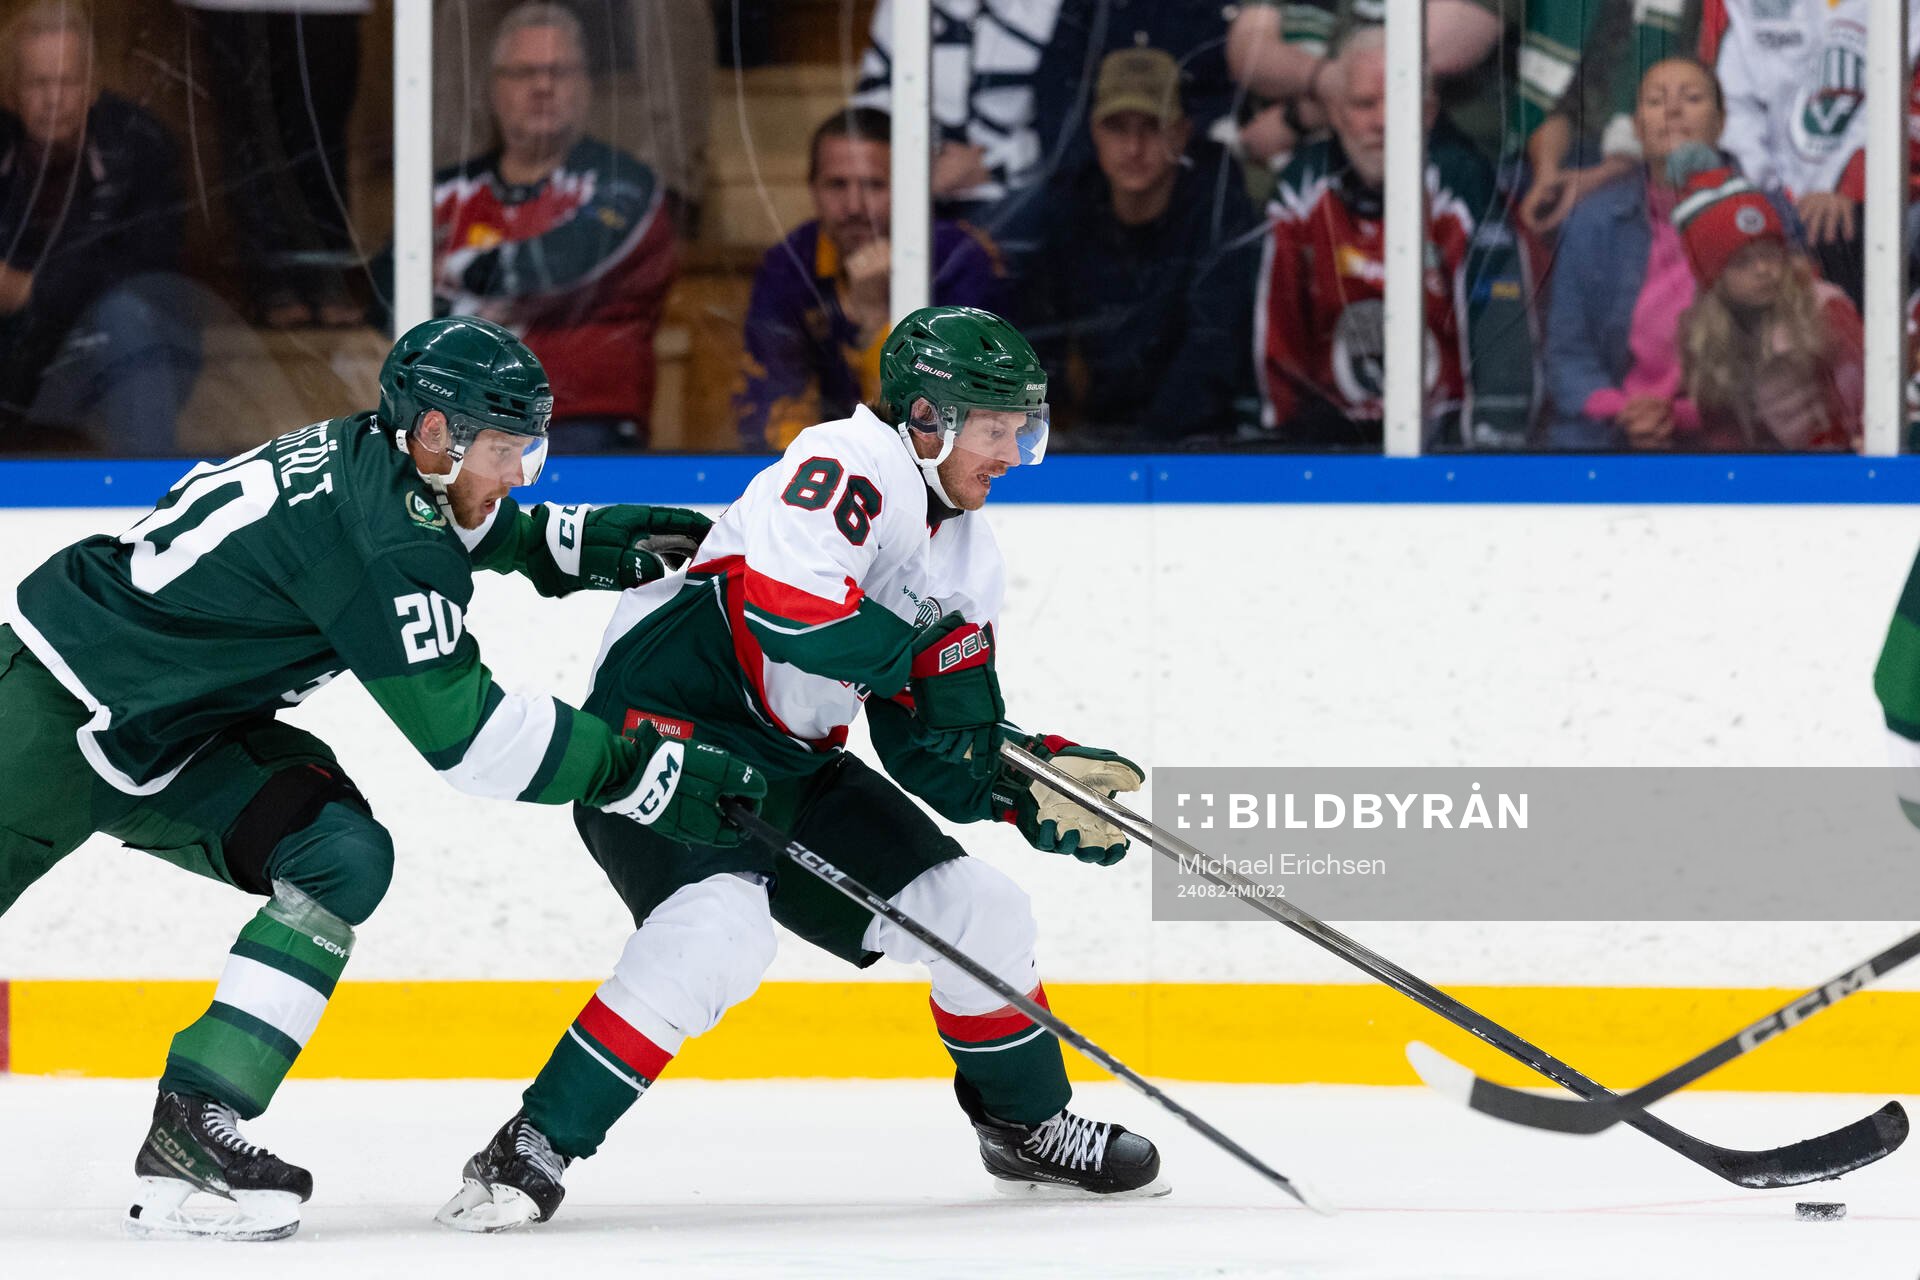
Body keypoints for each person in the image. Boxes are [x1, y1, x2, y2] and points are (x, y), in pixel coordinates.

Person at [0, 315, 764, 1241]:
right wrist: (636, 770)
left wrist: (572, 547)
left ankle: (192, 1129)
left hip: (177, 735)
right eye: (501, 449)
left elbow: (453, 529)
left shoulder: (389, 463)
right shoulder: (386, 532)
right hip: (44, 718)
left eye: (531, 448)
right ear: (434, 433)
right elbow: (472, 740)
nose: (519, 473)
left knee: (338, 855)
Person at [436, 305, 1165, 1232]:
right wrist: (923, 660)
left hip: (792, 761)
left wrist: (1021, 780)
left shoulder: (969, 557)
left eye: (1026, 427)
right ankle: (532, 1145)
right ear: (928, 421)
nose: (1015, 451)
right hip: (662, 729)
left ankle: (1025, 1128)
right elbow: (790, 611)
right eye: (995, 428)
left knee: (983, 912)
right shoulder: (847, 463)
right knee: (720, 930)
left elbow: (921, 751)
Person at [422, 2, 677, 451]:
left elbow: (569, 261)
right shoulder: (445, 192)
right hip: (457, 420)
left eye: (559, 72)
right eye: (523, 73)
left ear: (586, 86)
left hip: (582, 425)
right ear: (493, 88)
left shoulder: (626, 183)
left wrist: (458, 278)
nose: (542, 86)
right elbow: (391, 287)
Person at [1257, 26, 1492, 446]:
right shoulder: (1300, 192)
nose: (1384, 122)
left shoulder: (1463, 187)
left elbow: (1500, 351)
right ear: (1335, 112)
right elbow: (1277, 351)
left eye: (1399, 102)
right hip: (1332, 445)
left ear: (1429, 110)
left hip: (1448, 447)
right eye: (1365, 104)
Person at [1017, 47, 1261, 446]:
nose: (1133, 147)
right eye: (1117, 127)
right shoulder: (1068, 211)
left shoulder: (1219, 211)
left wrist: (1141, 449)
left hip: (1201, 443)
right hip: (1091, 438)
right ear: (1095, 132)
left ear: (1181, 133)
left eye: (1152, 126)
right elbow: (1038, 342)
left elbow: (1213, 349)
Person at [733, 107, 1007, 450]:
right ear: (812, 189)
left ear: (909, 188)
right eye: (836, 185)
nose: (853, 207)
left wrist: (878, 320)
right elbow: (771, 410)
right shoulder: (788, 265)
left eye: (874, 186)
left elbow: (957, 425)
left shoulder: (960, 260)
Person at [0, 1, 197, 454]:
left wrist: (32, 291)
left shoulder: (142, 144)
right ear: (12, 91)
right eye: (38, 83)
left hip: (117, 347)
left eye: (67, 82)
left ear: (92, 86)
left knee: (124, 315)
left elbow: (150, 268)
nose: (54, 99)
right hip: (18, 351)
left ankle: (149, 508)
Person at [1544, 58, 1736, 449]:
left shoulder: (1758, 217)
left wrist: (1680, 415)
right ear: (1636, 128)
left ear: (1721, 122)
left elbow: (1779, 360)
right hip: (1611, 429)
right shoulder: (1591, 221)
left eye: (1692, 98)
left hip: (1721, 434)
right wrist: (1626, 411)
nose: (1673, 110)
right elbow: (1567, 353)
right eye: (1655, 101)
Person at [1704, 0, 1920, 307]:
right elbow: (1736, 107)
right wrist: (1768, 193)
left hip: (1880, 193)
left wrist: (1850, 188)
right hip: (1775, 194)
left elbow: (1906, 108)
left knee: (1850, 233)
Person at [175, 0, 366, 327]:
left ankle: (326, 274)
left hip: (329, 9)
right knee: (248, 129)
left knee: (320, 129)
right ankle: (271, 280)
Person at [1669, 147, 1863, 450]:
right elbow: (1724, 438)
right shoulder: (1702, 336)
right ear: (1714, 278)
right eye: (1743, 262)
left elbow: (1865, 399)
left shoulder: (1824, 309)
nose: (1763, 270)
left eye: (1770, 254)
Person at [850, 0, 1066, 249]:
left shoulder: (1051, 8)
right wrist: (919, 164)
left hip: (1014, 190)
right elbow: (871, 101)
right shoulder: (905, 7)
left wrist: (991, 165)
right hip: (911, 184)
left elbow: (1070, 123)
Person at [1518, 0, 1706, 234]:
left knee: (1590, 221)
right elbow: (1551, 99)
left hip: (1649, 162)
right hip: (1562, 151)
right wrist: (1547, 174)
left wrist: (1596, 178)